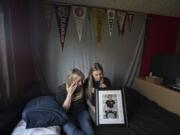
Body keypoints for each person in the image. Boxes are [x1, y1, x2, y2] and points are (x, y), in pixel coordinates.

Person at [55, 68, 94, 135]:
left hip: (81, 112)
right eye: (79, 81)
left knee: (89, 130)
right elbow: (64, 110)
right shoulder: (61, 89)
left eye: (82, 80)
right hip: (68, 115)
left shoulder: (82, 87)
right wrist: (69, 94)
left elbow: (87, 98)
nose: (81, 83)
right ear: (71, 80)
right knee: (71, 131)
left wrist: (92, 106)